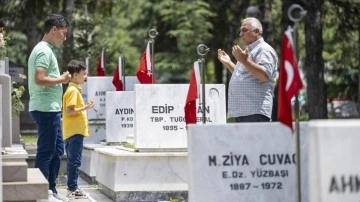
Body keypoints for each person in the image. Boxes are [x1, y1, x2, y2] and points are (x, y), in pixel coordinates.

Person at [28, 14, 71, 201]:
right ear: (53, 29)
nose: (65, 37)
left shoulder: (46, 49)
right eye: (63, 33)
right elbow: (39, 79)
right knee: (46, 151)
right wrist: (61, 79)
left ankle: (51, 189)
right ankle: (41, 191)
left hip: (50, 108)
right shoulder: (44, 50)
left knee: (57, 149)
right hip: (45, 109)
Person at [217, 17, 278, 122]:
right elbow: (244, 75)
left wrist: (244, 60)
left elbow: (264, 76)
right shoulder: (249, 51)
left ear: (256, 32)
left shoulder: (264, 49)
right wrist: (228, 62)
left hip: (255, 111)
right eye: (240, 31)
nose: (240, 34)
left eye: (244, 30)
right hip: (245, 112)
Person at [62, 60, 94, 199]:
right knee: (74, 161)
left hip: (73, 131)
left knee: (73, 160)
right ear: (75, 75)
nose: (85, 76)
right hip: (75, 132)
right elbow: (69, 111)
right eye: (84, 74)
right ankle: (72, 188)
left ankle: (72, 187)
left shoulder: (73, 89)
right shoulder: (73, 91)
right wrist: (85, 108)